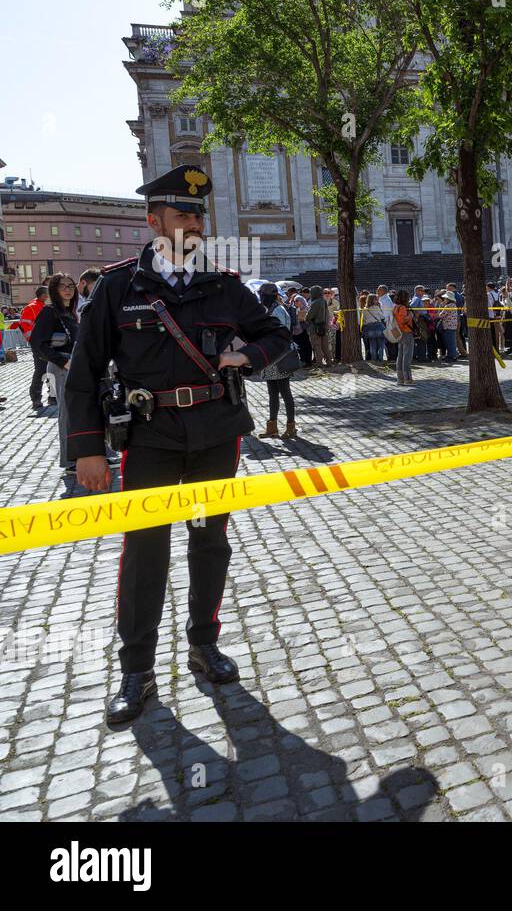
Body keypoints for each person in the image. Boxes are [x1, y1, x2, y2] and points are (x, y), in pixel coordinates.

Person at [64, 163, 290, 724]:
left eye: (198, 214)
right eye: (182, 213)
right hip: (151, 438)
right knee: (145, 552)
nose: (193, 222)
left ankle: (203, 643)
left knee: (210, 543)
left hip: (215, 435)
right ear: (153, 219)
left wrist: (248, 357)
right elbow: (84, 374)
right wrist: (87, 452)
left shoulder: (224, 285)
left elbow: (278, 334)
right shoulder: (119, 288)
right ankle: (137, 669)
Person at [30, 274, 81, 472]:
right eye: (63, 287)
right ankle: (69, 461)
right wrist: (63, 362)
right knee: (67, 413)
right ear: (54, 290)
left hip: (71, 365)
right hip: (62, 368)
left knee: (77, 411)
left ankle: (80, 455)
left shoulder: (69, 312)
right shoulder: (50, 311)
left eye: (71, 285)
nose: (68, 289)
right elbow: (37, 342)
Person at [257, 283, 298, 437]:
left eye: (263, 295)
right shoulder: (270, 310)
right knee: (272, 394)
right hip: (269, 357)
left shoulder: (279, 311)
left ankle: (291, 426)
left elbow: (280, 334)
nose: (261, 298)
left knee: (285, 392)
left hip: (279, 357)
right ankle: (272, 427)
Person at [19, 285, 51, 411]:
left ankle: (53, 396)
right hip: (39, 345)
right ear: (43, 295)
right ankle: (36, 398)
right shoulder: (31, 308)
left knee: (51, 370)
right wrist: (34, 340)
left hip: (50, 343)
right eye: (48, 294)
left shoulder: (45, 306)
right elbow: (24, 326)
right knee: (41, 370)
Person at [391, 289, 415, 383]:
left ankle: (400, 378)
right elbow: (402, 320)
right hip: (406, 332)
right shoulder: (402, 308)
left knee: (400, 356)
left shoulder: (395, 307)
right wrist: (411, 316)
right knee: (407, 356)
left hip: (398, 332)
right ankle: (407, 378)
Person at [305, 285, 332, 367]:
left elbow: (308, 316)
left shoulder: (315, 302)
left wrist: (307, 319)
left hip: (315, 327)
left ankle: (320, 363)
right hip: (324, 326)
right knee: (325, 345)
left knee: (317, 346)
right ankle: (329, 361)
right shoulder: (323, 301)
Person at [361, 294, 388, 361]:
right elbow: (382, 317)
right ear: (374, 300)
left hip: (369, 328)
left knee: (372, 344)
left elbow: (364, 319)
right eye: (376, 299)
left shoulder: (364, 309)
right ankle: (381, 359)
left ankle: (374, 359)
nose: (377, 300)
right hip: (378, 327)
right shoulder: (376, 308)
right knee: (381, 344)